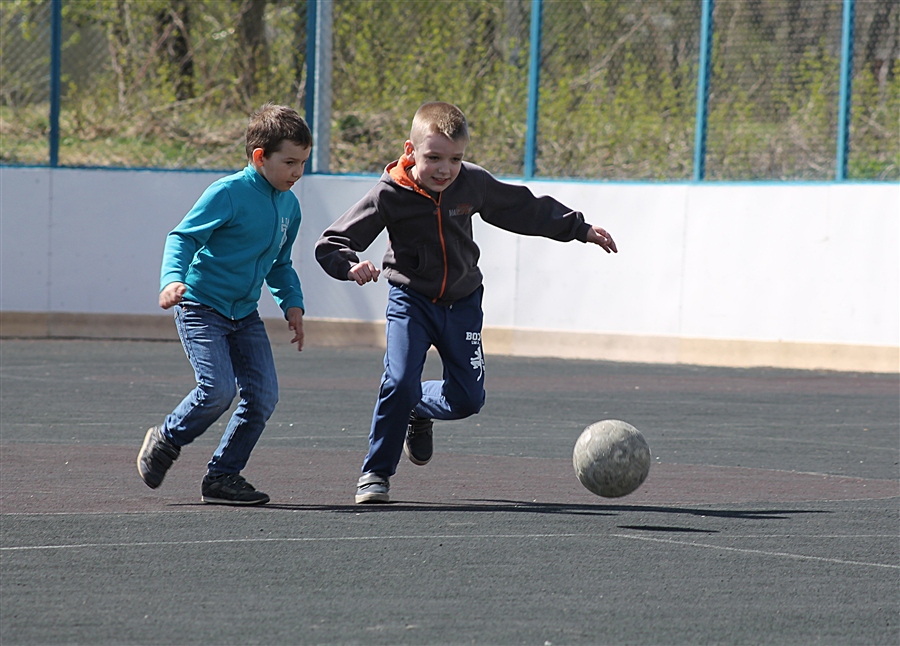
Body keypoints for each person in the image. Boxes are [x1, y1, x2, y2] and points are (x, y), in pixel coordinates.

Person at [315, 101, 617, 504]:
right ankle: (376, 473)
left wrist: (579, 228)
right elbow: (333, 241)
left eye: (455, 159)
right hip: (412, 301)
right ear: (411, 151)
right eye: (434, 157)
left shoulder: (471, 183)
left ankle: (418, 408)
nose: (445, 168)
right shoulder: (389, 194)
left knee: (468, 400)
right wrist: (349, 264)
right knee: (400, 379)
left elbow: (523, 208)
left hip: (463, 303)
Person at [137, 103, 311, 505]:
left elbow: (280, 264)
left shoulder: (290, 207)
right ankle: (166, 439)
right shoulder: (228, 193)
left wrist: (293, 305)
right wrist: (172, 281)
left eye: (303, 162)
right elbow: (182, 237)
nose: (297, 172)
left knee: (264, 396)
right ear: (259, 157)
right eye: (289, 162)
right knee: (217, 390)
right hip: (201, 306)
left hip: (244, 314)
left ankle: (222, 476)